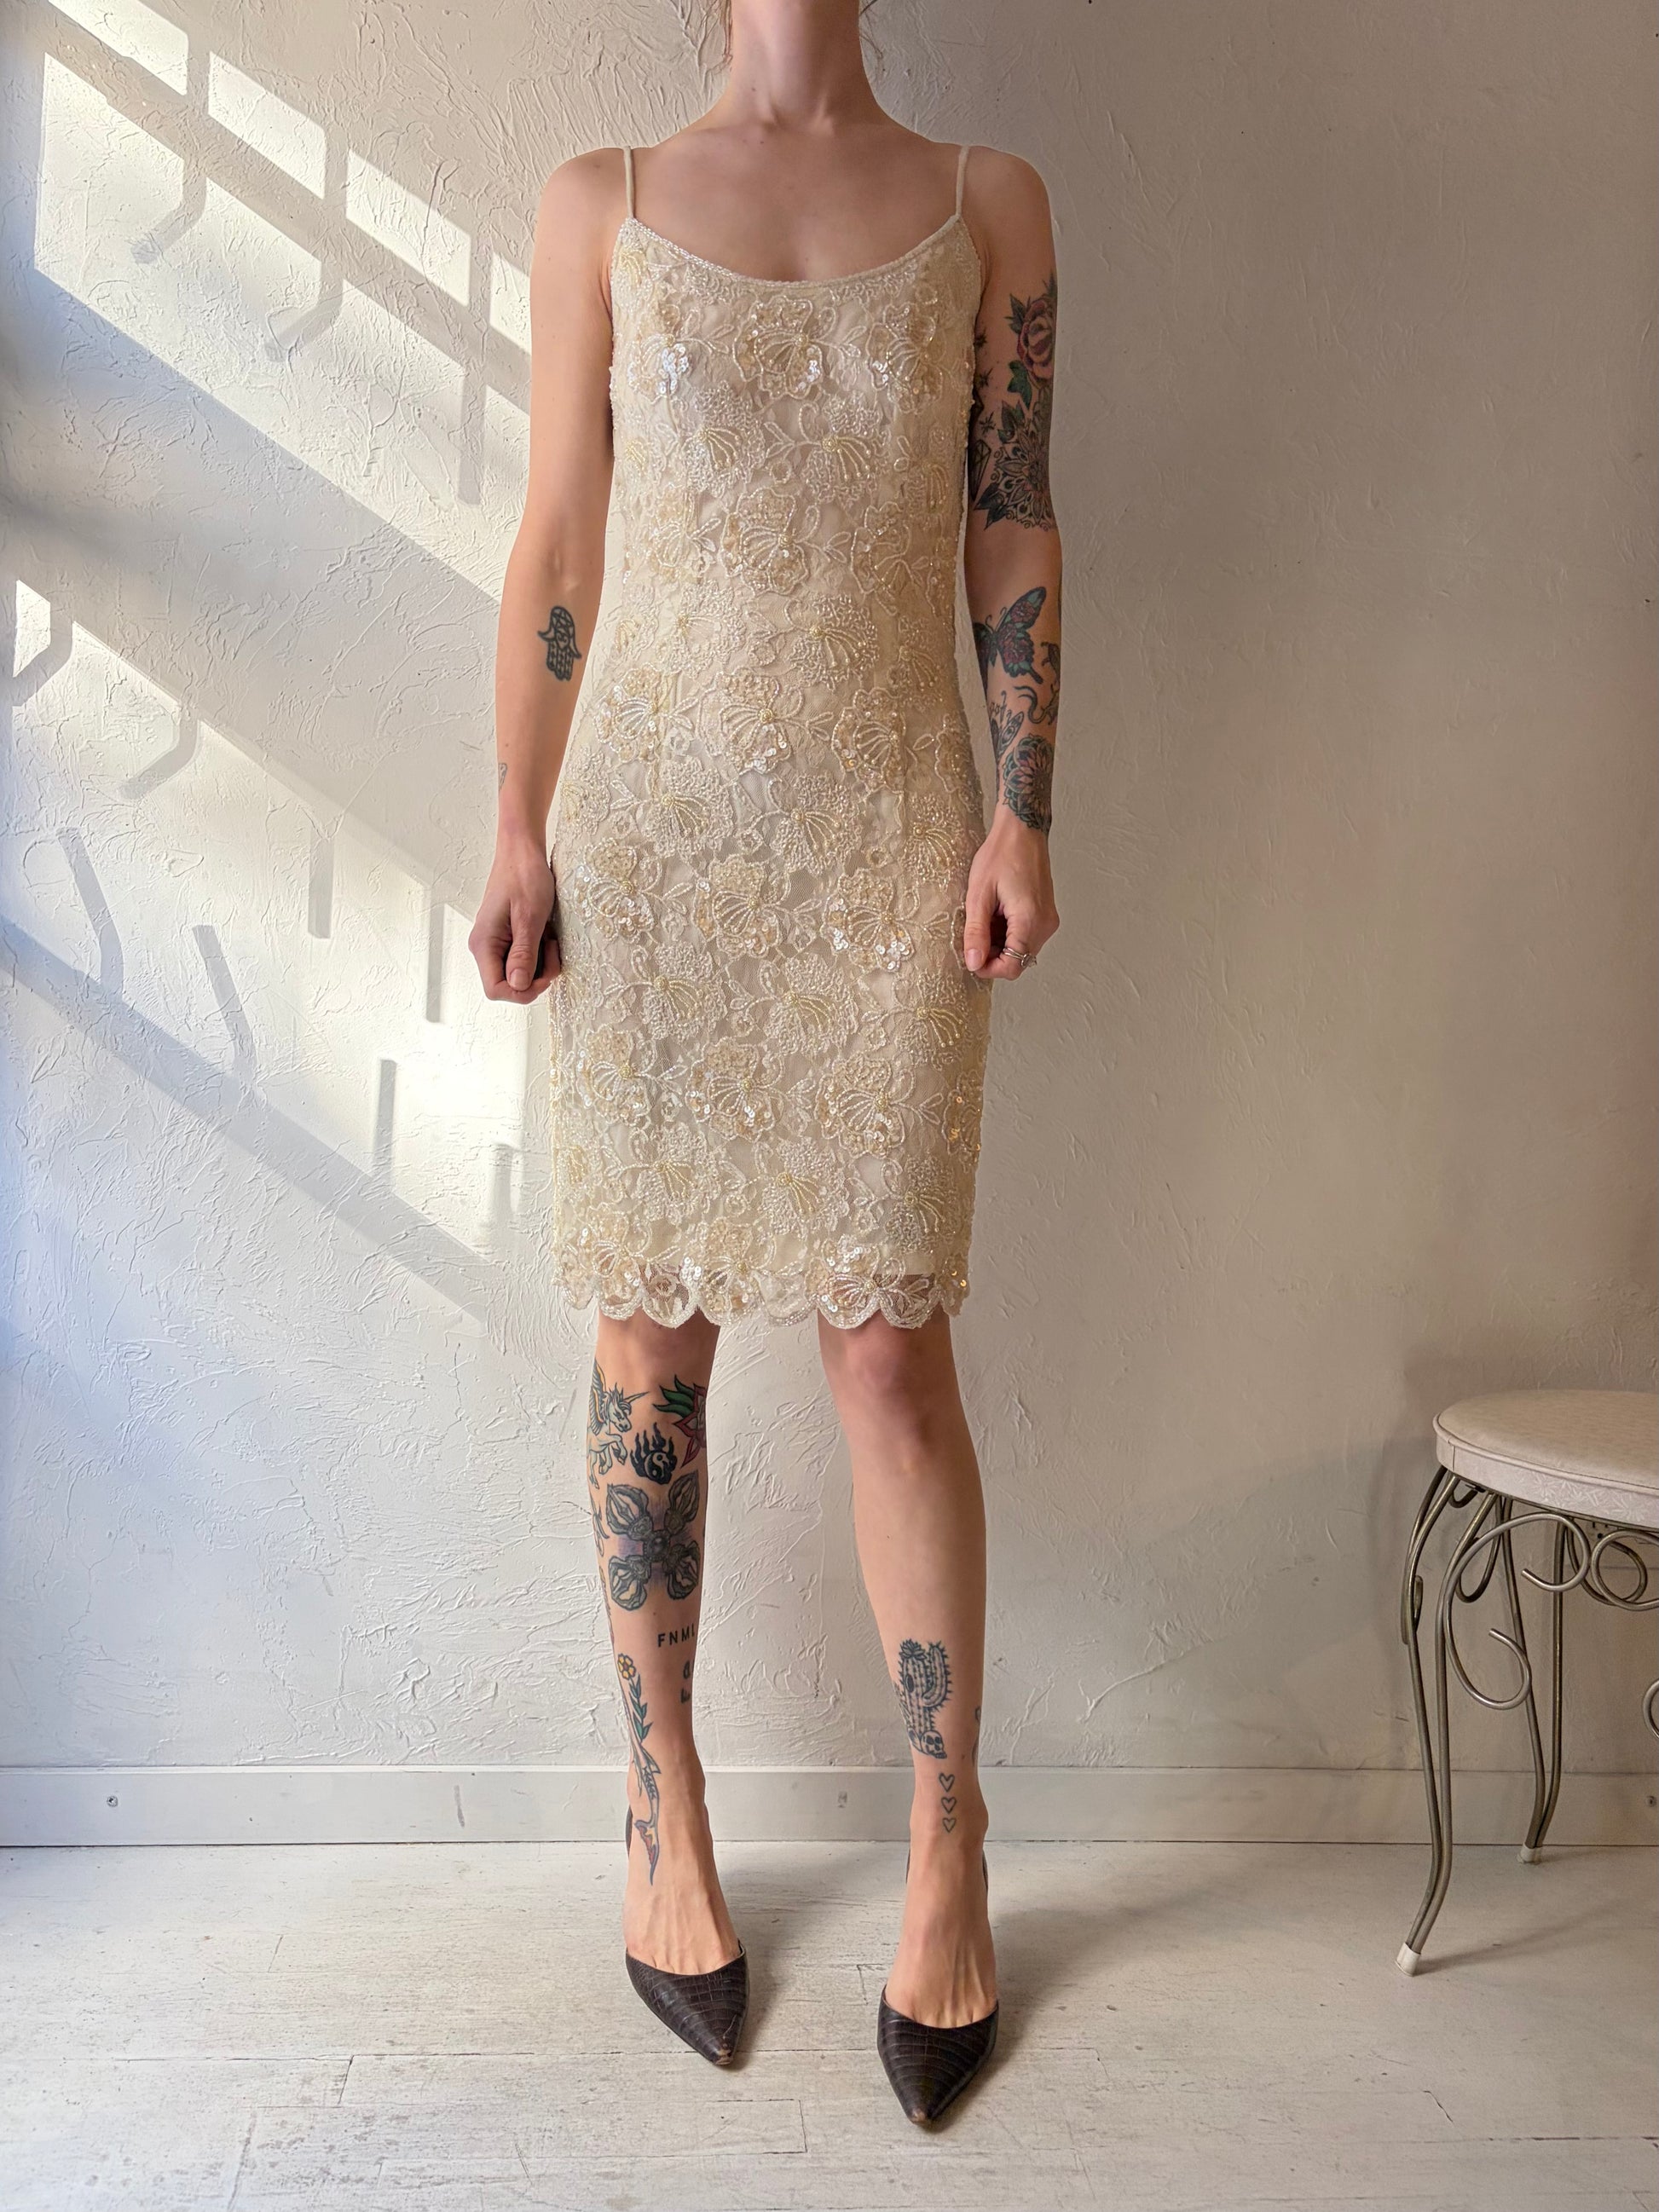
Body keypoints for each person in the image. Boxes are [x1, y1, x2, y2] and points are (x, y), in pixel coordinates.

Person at [469, 0, 1061, 2126]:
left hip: (891, 844)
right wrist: (517, 824)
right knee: (650, 1345)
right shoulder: (601, 205)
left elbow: (1010, 521)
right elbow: (560, 540)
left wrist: (1024, 810)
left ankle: (947, 1836)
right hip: (652, 856)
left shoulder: (989, 204)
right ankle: (665, 1812)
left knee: (889, 1355)